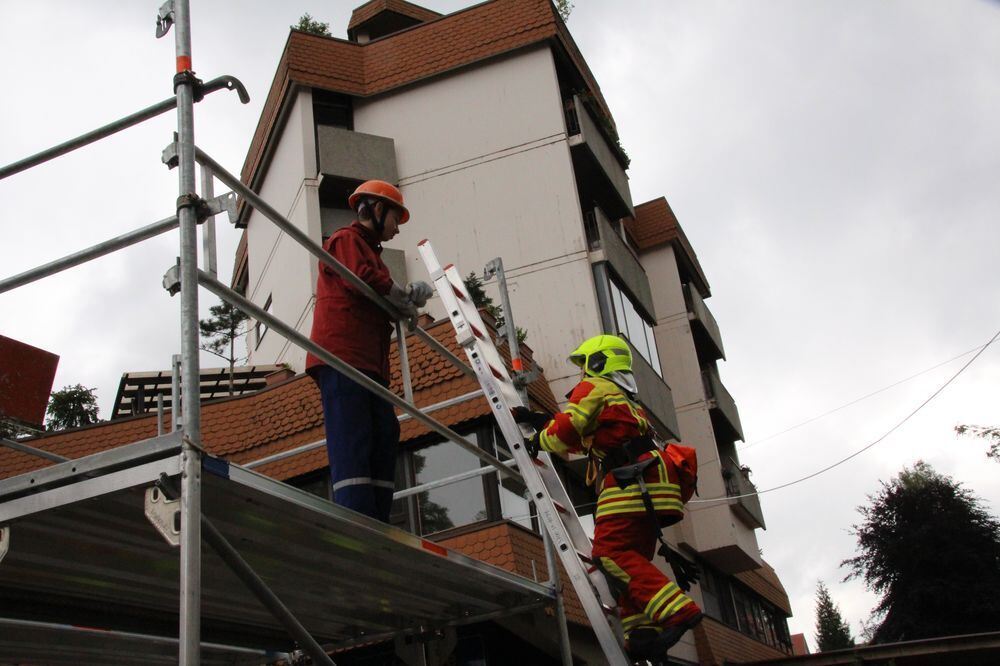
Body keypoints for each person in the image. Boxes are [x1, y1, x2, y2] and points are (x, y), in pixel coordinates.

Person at [513, 334, 703, 662]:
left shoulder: (594, 387)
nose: (582, 373)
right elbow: (588, 438)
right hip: (651, 483)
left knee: (609, 553)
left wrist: (536, 441)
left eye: (584, 365)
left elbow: (568, 429)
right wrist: (540, 422)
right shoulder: (623, 397)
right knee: (630, 560)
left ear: (598, 362)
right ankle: (642, 635)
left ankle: (678, 611)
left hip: (631, 482)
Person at [306, 179, 432, 522]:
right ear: (377, 209)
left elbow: (379, 294)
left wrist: (404, 303)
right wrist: (405, 297)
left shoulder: (371, 254)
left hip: (367, 361)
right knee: (353, 435)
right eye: (395, 218)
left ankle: (376, 517)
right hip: (342, 356)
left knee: (385, 432)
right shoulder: (345, 240)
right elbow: (363, 280)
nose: (396, 228)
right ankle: (356, 518)